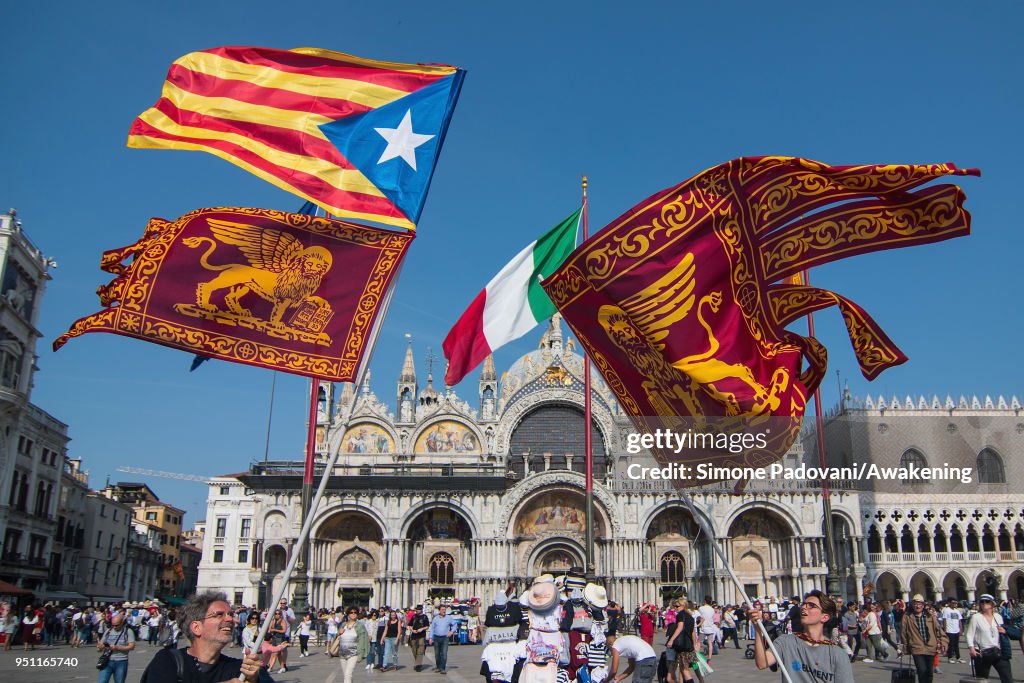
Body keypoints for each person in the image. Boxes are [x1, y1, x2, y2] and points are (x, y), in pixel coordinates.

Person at [139, 591, 262, 683]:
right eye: (219, 615)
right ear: (197, 627)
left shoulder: (237, 668)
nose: (230, 619)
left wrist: (255, 679)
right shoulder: (167, 661)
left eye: (230, 614)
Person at [752, 589, 853, 683]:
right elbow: (762, 663)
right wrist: (758, 628)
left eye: (811, 606)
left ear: (824, 617)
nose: (804, 607)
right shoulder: (786, 642)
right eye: (804, 604)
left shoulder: (837, 654)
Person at [966, 593, 1013, 683]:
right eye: (982, 602)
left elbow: (1003, 631)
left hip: (998, 651)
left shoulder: (998, 617)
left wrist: (1004, 631)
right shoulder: (976, 617)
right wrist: (971, 648)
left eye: (987, 602)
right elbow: (969, 634)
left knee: (1007, 678)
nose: (984, 604)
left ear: (992, 604)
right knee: (982, 679)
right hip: (982, 653)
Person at [900, 594, 947, 683]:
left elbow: (939, 630)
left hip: (930, 647)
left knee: (929, 672)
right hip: (916, 647)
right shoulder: (907, 616)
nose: (917, 606)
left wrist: (943, 642)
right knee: (922, 671)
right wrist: (905, 646)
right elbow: (903, 632)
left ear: (923, 605)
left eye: (919, 604)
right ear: (912, 605)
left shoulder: (930, 616)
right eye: (915, 604)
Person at [96, 612, 135, 683]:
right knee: (102, 681)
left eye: (116, 625)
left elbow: (131, 646)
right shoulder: (108, 631)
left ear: (122, 622)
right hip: (107, 660)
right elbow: (101, 644)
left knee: (119, 681)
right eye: (113, 625)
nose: (114, 627)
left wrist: (117, 648)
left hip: (121, 661)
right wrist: (100, 647)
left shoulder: (128, 631)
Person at [664, 599, 696, 683]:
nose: (675, 608)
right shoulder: (690, 616)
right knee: (684, 669)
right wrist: (695, 643)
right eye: (674, 606)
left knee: (685, 671)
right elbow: (693, 632)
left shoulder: (680, 615)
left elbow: (680, 627)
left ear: (683, 606)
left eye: (677, 606)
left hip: (682, 645)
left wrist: (671, 640)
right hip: (689, 645)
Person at [338, 606, 370, 683]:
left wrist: (361, 655)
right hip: (342, 654)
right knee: (347, 675)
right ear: (348, 614)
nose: (353, 614)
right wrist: (339, 632)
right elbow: (338, 637)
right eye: (351, 612)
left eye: (355, 612)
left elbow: (362, 641)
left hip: (353, 654)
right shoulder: (343, 625)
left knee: (347, 676)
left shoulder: (359, 626)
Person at [428, 604, 455, 674]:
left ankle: (443, 668)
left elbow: (455, 624)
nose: (444, 611)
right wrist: (430, 637)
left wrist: (452, 631)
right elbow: (432, 628)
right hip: (436, 637)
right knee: (437, 654)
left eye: (444, 610)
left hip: (445, 637)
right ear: (439, 610)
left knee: (444, 653)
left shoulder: (449, 618)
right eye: (442, 610)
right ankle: (438, 666)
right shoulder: (435, 618)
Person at [941, 598, 964, 664]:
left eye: (956, 603)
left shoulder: (957, 611)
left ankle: (958, 657)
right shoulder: (946, 610)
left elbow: (959, 620)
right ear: (949, 603)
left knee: (956, 645)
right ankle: (950, 657)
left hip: (956, 630)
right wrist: (945, 630)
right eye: (953, 603)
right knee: (951, 645)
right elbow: (944, 620)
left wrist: (961, 629)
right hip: (949, 630)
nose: (955, 604)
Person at [409, 604, 431, 671]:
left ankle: (418, 665)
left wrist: (422, 629)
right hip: (414, 635)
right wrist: (412, 630)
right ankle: (417, 662)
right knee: (414, 649)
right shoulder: (414, 617)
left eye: (419, 609)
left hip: (421, 635)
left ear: (421, 610)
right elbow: (409, 625)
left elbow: (427, 626)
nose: (418, 610)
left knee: (420, 649)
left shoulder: (424, 617)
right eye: (417, 609)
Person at [696, 597, 716, 661]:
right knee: (710, 643)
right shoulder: (712, 609)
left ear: (704, 601)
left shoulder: (701, 608)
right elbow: (713, 618)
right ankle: (709, 658)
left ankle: (697, 656)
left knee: (699, 642)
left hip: (703, 628)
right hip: (710, 627)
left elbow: (699, 617)